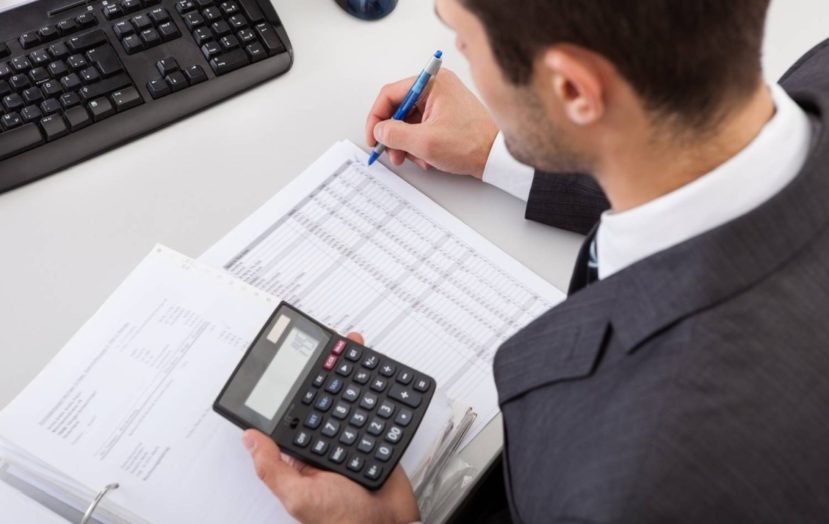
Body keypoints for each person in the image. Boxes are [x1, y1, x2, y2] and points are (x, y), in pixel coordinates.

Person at [240, 0, 829, 521]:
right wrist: (499, 152)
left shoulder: (631, 483)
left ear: (572, 91)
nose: (460, 56)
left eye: (464, 40)